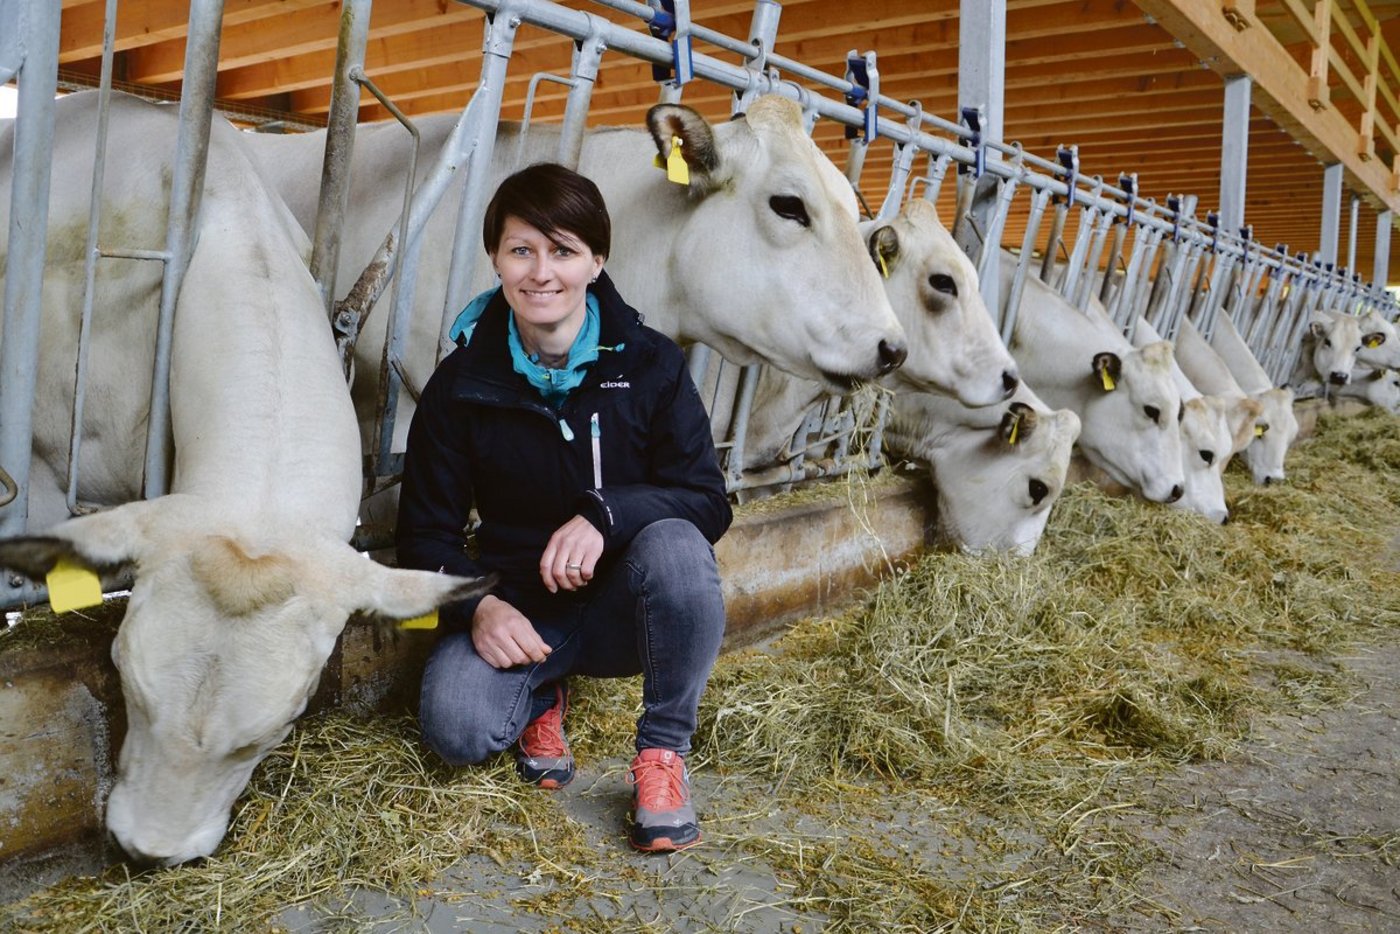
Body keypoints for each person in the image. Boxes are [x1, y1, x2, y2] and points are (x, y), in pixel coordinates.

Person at [397, 162, 732, 852]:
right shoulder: (460, 386)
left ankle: (662, 754)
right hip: (519, 606)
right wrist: (478, 607)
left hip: (620, 608)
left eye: (563, 251)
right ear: (495, 257)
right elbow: (423, 533)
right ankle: (540, 696)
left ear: (596, 261)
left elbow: (707, 501)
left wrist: (607, 514)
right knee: (455, 730)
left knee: (676, 545)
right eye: (522, 250)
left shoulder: (650, 365)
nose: (541, 272)